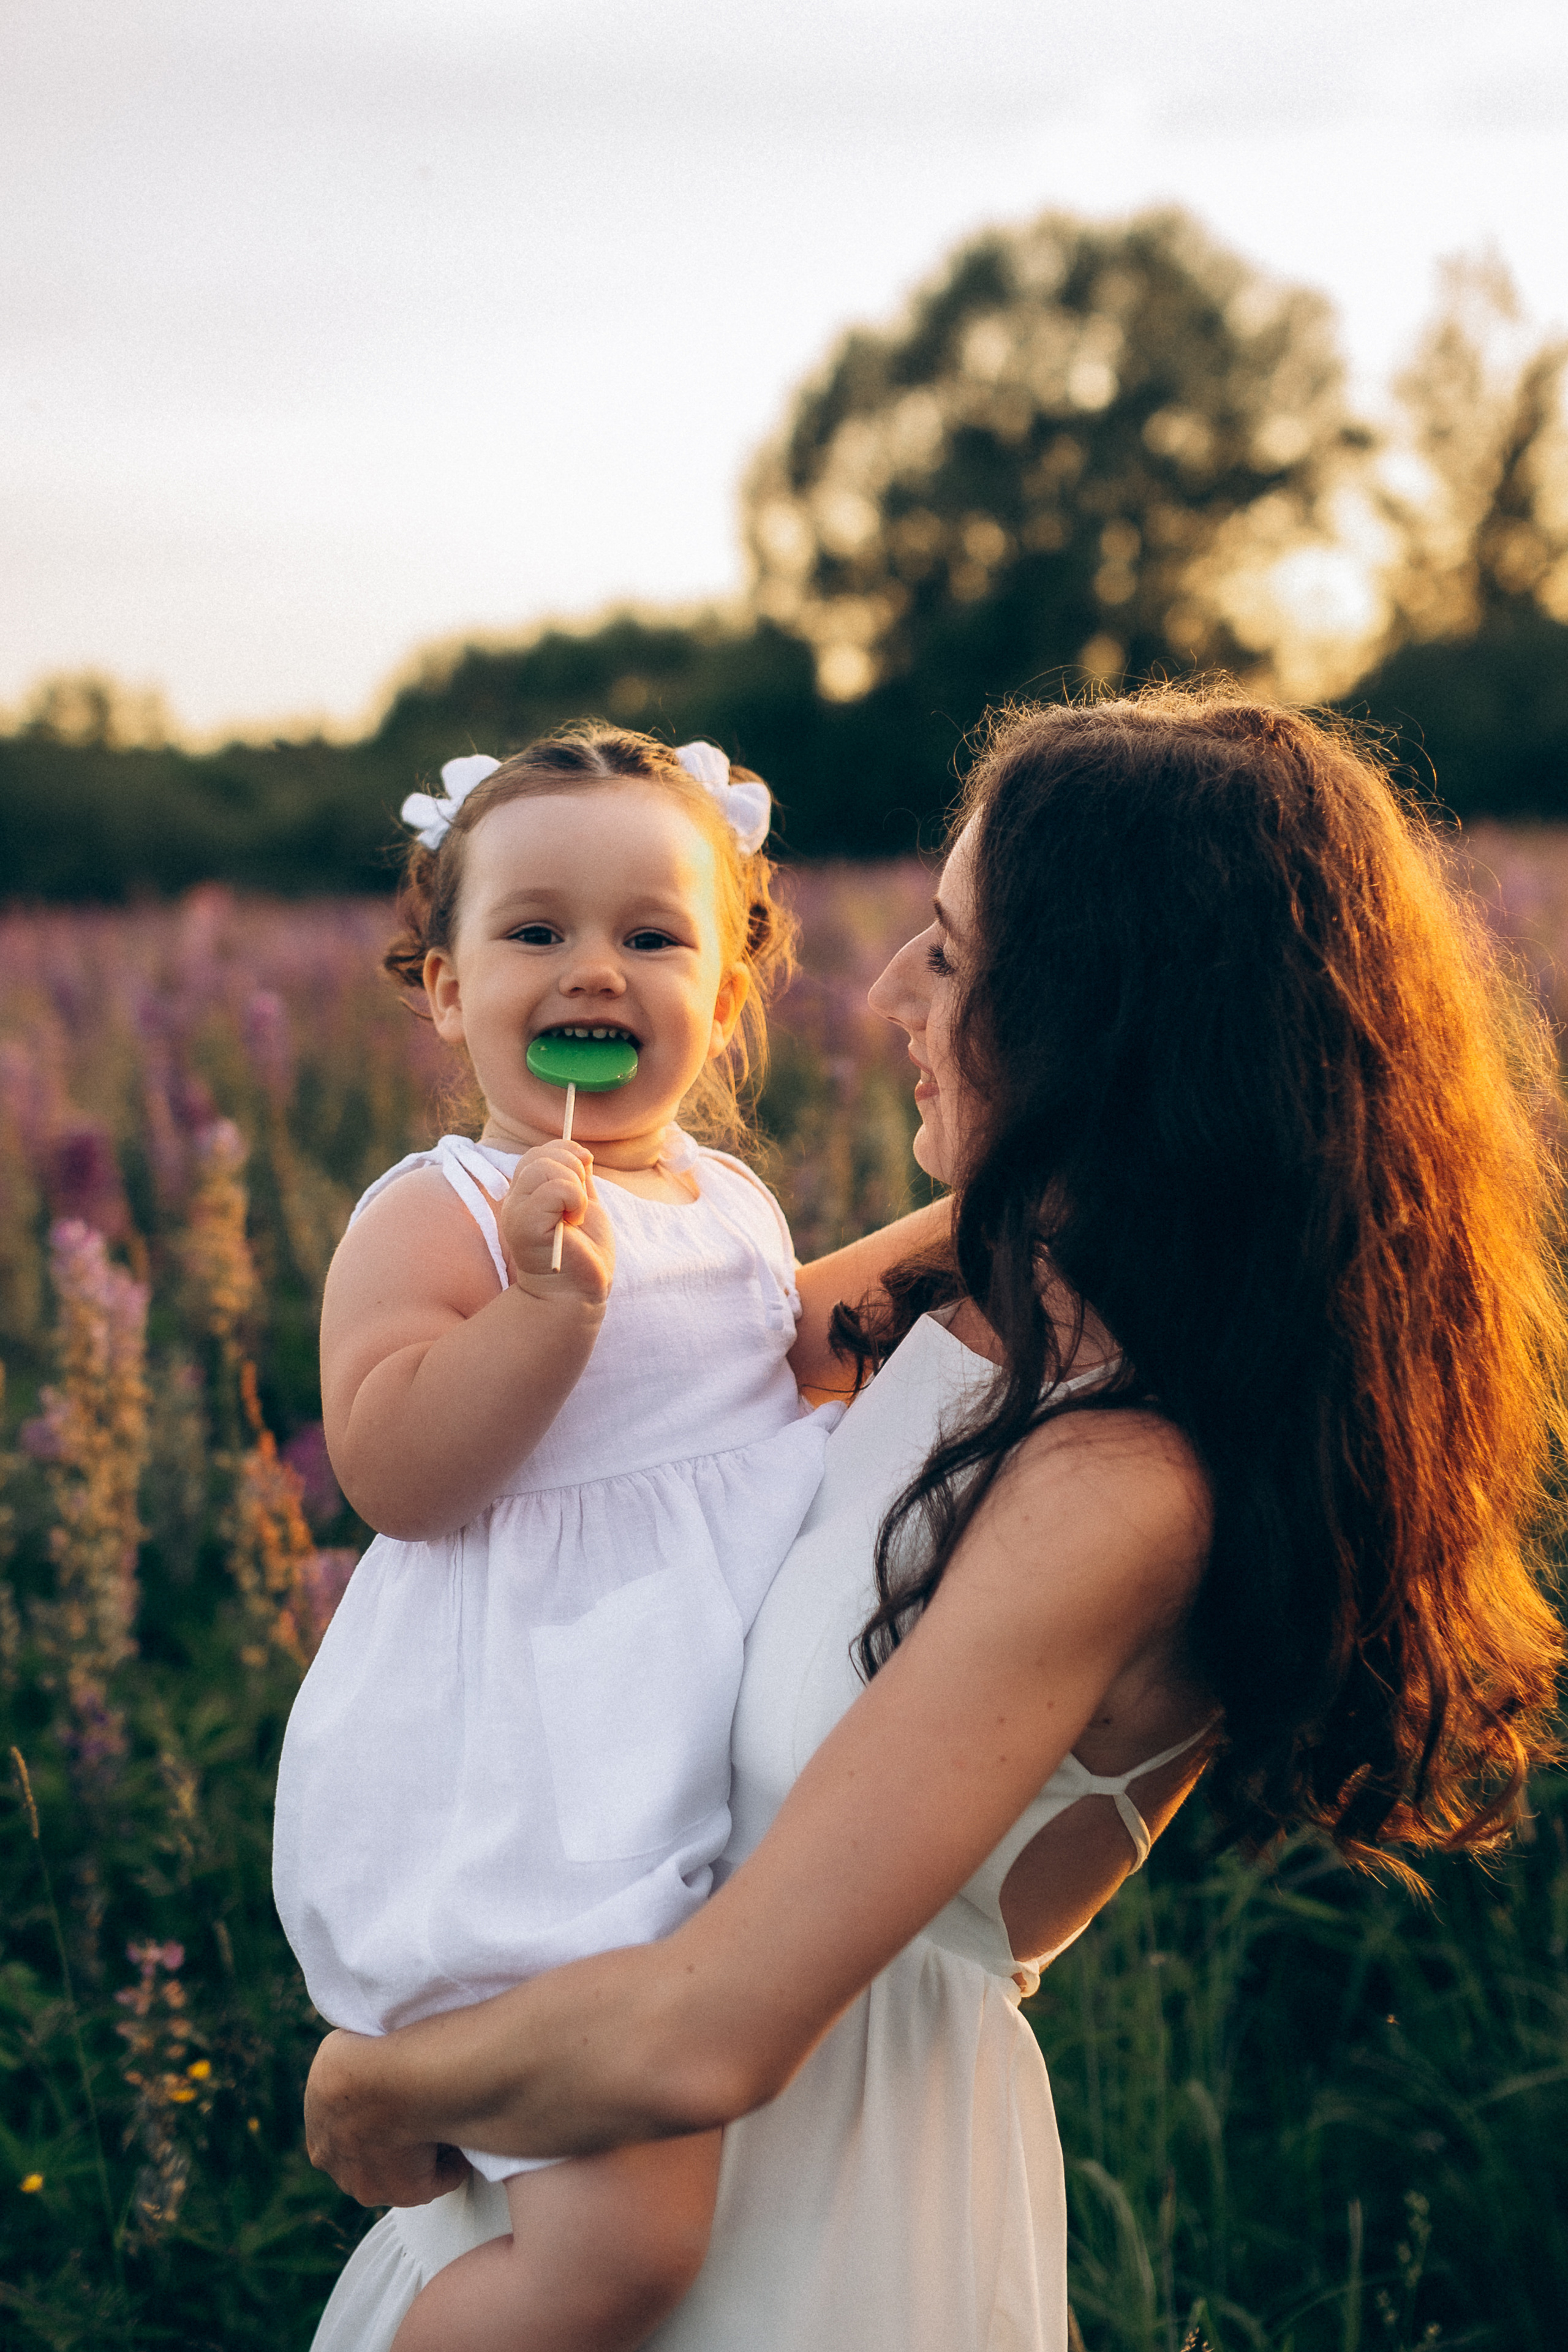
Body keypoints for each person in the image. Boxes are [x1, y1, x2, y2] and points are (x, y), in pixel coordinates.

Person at [303, 690, 1567, 2352]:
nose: (888, 988)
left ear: (1112, 1016)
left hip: (814, 2218)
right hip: (585, 2128)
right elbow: (678, 1371)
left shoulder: (1123, 1485)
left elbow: (709, 2034)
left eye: (956, 956)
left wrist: (372, 2085)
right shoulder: (992, 1267)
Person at [273, 726, 948, 2352]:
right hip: (533, 1789)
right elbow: (393, 1475)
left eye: (653, 935)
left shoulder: (728, 1201)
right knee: (620, 2258)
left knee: (710, 2207)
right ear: (448, 992)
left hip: (679, 1770)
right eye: (537, 931)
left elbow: (787, 1354)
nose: (596, 967)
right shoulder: (437, 1211)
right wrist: (542, 1316)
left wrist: (1002, 1218)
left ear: (726, 993)